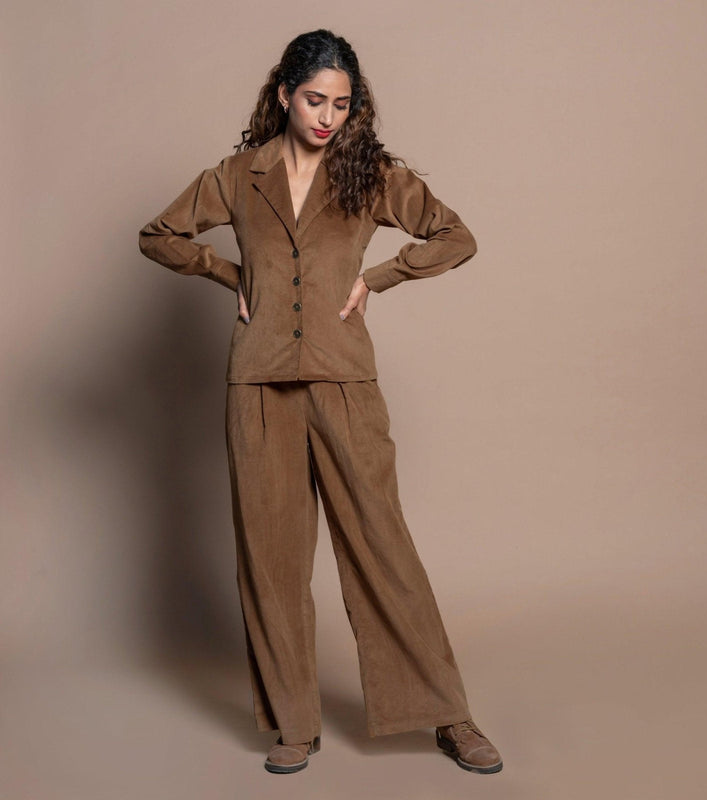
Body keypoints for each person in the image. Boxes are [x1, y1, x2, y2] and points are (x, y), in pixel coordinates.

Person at [138, 28, 502, 776]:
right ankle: (294, 722)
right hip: (258, 386)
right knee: (272, 560)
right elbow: (160, 234)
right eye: (314, 99)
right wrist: (225, 272)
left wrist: (385, 276)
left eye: (342, 103)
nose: (328, 116)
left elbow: (453, 236)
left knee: (382, 548)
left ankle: (446, 714)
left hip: (343, 381)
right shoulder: (238, 176)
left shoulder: (370, 175)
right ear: (283, 95)